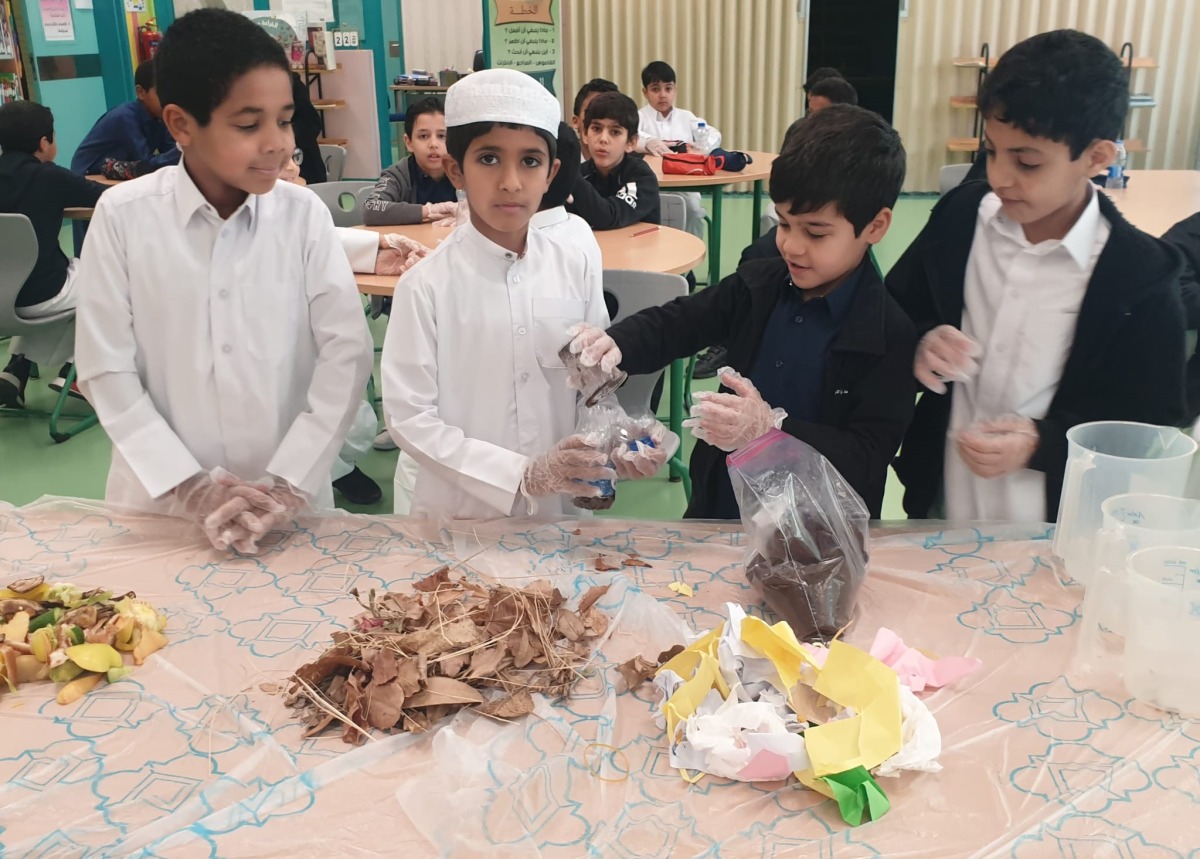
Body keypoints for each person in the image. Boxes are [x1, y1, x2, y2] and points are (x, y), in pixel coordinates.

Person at [74, 9, 374, 553]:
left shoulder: (302, 215)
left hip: (291, 505)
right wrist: (188, 489)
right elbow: (104, 367)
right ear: (181, 124)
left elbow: (346, 354)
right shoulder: (123, 217)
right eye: (247, 124)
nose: (278, 144)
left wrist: (287, 483)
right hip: (160, 508)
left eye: (284, 120)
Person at [887, 29, 1187, 524]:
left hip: (1060, 523)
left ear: (1096, 158)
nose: (1000, 176)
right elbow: (894, 308)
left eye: (1026, 161)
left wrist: (1043, 444)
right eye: (992, 152)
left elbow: (1149, 426)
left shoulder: (1140, 278)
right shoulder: (962, 218)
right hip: (941, 503)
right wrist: (920, 341)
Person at [567, 105, 916, 519]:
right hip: (721, 509)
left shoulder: (887, 333)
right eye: (784, 224)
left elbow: (866, 457)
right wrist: (615, 343)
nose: (792, 246)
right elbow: (680, 321)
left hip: (817, 533)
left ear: (875, 226)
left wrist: (774, 431)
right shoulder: (760, 286)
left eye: (815, 232)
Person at [380, 69, 671, 519]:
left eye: (530, 161)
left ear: (553, 172)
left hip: (559, 513)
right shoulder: (426, 285)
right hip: (462, 518)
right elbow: (410, 419)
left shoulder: (572, 265)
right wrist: (521, 475)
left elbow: (590, 384)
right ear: (456, 169)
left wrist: (617, 437)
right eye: (490, 159)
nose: (512, 182)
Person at [0, 100, 108, 408]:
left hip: (4, 303)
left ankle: (16, 369)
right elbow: (104, 198)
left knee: (52, 284)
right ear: (44, 142)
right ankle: (76, 371)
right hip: (42, 296)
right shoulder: (49, 177)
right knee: (109, 281)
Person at [636, 60, 718, 238]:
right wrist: (648, 141)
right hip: (650, 186)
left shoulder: (687, 117)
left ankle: (689, 261)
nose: (663, 95)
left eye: (668, 88)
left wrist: (703, 147)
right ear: (645, 92)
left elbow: (713, 134)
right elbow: (630, 136)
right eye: (655, 89)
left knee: (694, 212)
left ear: (675, 90)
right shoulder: (638, 118)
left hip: (685, 185)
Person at [70, 58, 180, 180]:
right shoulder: (125, 117)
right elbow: (146, 165)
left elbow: (170, 157)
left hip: (119, 176)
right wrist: (184, 150)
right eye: (161, 93)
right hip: (88, 177)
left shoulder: (160, 116)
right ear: (141, 92)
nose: (168, 99)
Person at [568, 92, 661, 231]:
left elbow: (609, 216)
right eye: (596, 129)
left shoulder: (641, 176)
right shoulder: (581, 173)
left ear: (631, 142)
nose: (603, 139)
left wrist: (569, 175)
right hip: (594, 250)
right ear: (585, 134)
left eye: (615, 132)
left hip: (640, 251)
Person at [363, 96, 458, 225]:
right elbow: (371, 208)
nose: (433, 144)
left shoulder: (465, 171)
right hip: (413, 242)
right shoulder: (397, 175)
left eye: (442, 136)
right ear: (409, 143)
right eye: (423, 136)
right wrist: (430, 210)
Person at [570, 78, 619, 161]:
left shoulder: (634, 168)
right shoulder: (560, 162)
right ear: (575, 122)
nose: (602, 120)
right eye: (592, 112)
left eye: (609, 114)